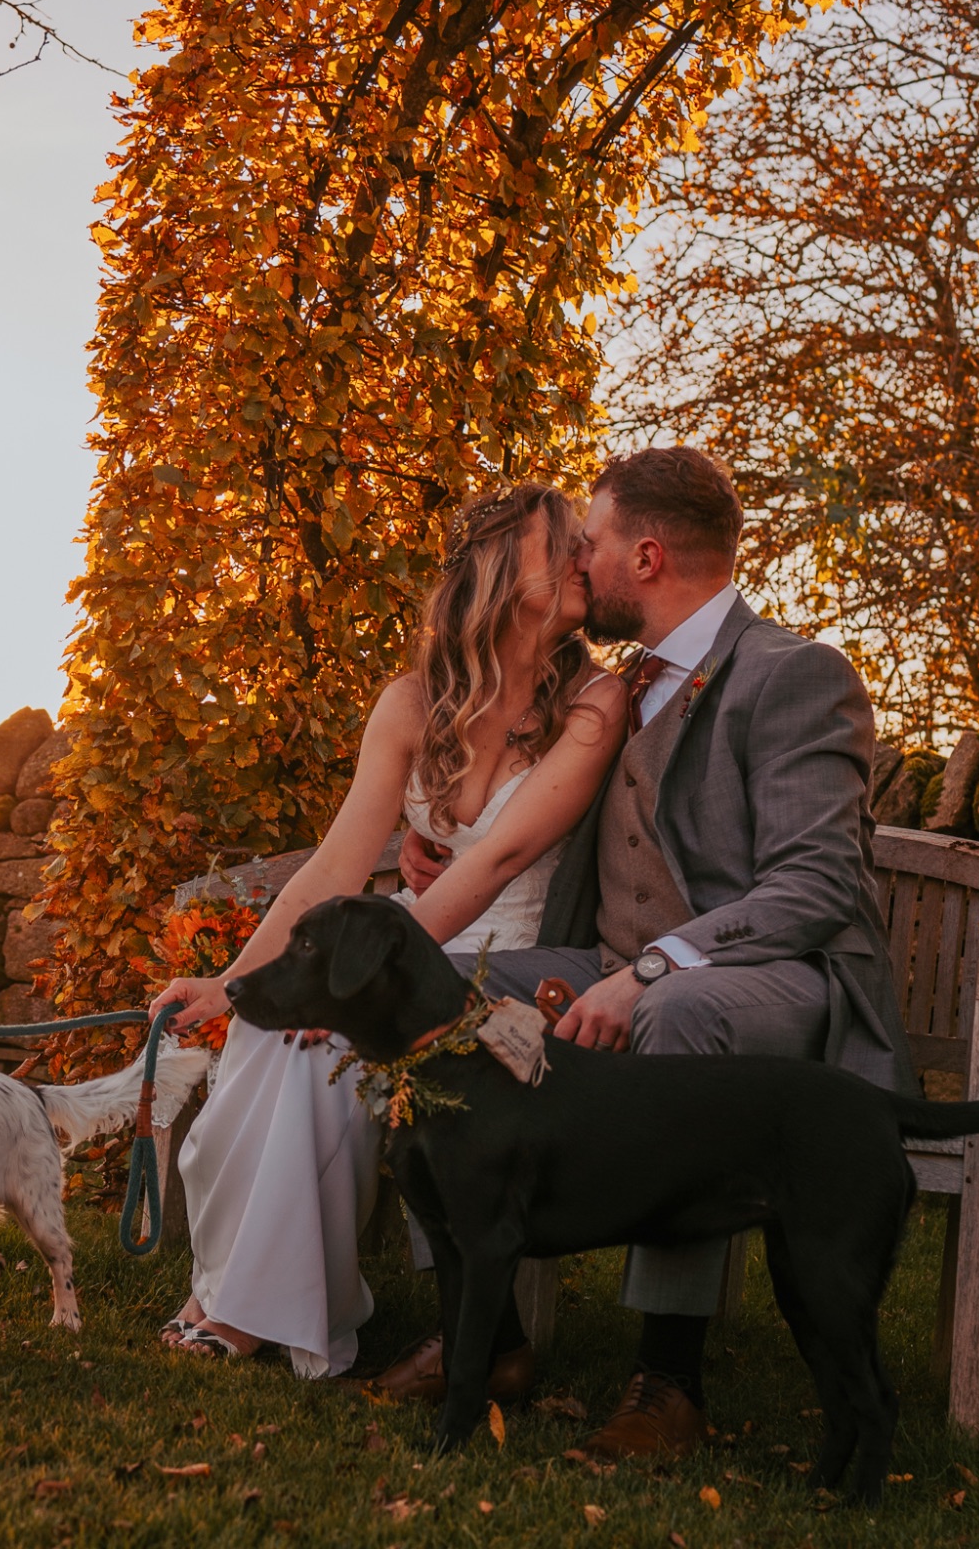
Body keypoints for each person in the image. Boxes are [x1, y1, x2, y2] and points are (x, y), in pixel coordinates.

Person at [380, 446, 916, 1457]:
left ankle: (670, 1378)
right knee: (441, 994)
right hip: (607, 959)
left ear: (651, 555)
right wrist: (436, 840)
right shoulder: (623, 687)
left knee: (680, 1013)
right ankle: (483, 1333)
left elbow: (816, 886)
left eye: (595, 541)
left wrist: (657, 967)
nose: (582, 559)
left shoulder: (794, 674)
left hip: (768, 985)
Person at [148, 483, 628, 1377]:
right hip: (404, 941)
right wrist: (231, 983)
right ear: (497, 571)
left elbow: (492, 863)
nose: (581, 559)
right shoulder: (412, 703)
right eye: (559, 543)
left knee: (327, 1044)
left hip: (505, 962)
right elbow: (334, 869)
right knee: (270, 1039)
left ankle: (248, 1305)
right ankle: (232, 1291)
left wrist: (351, 993)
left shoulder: (596, 706)